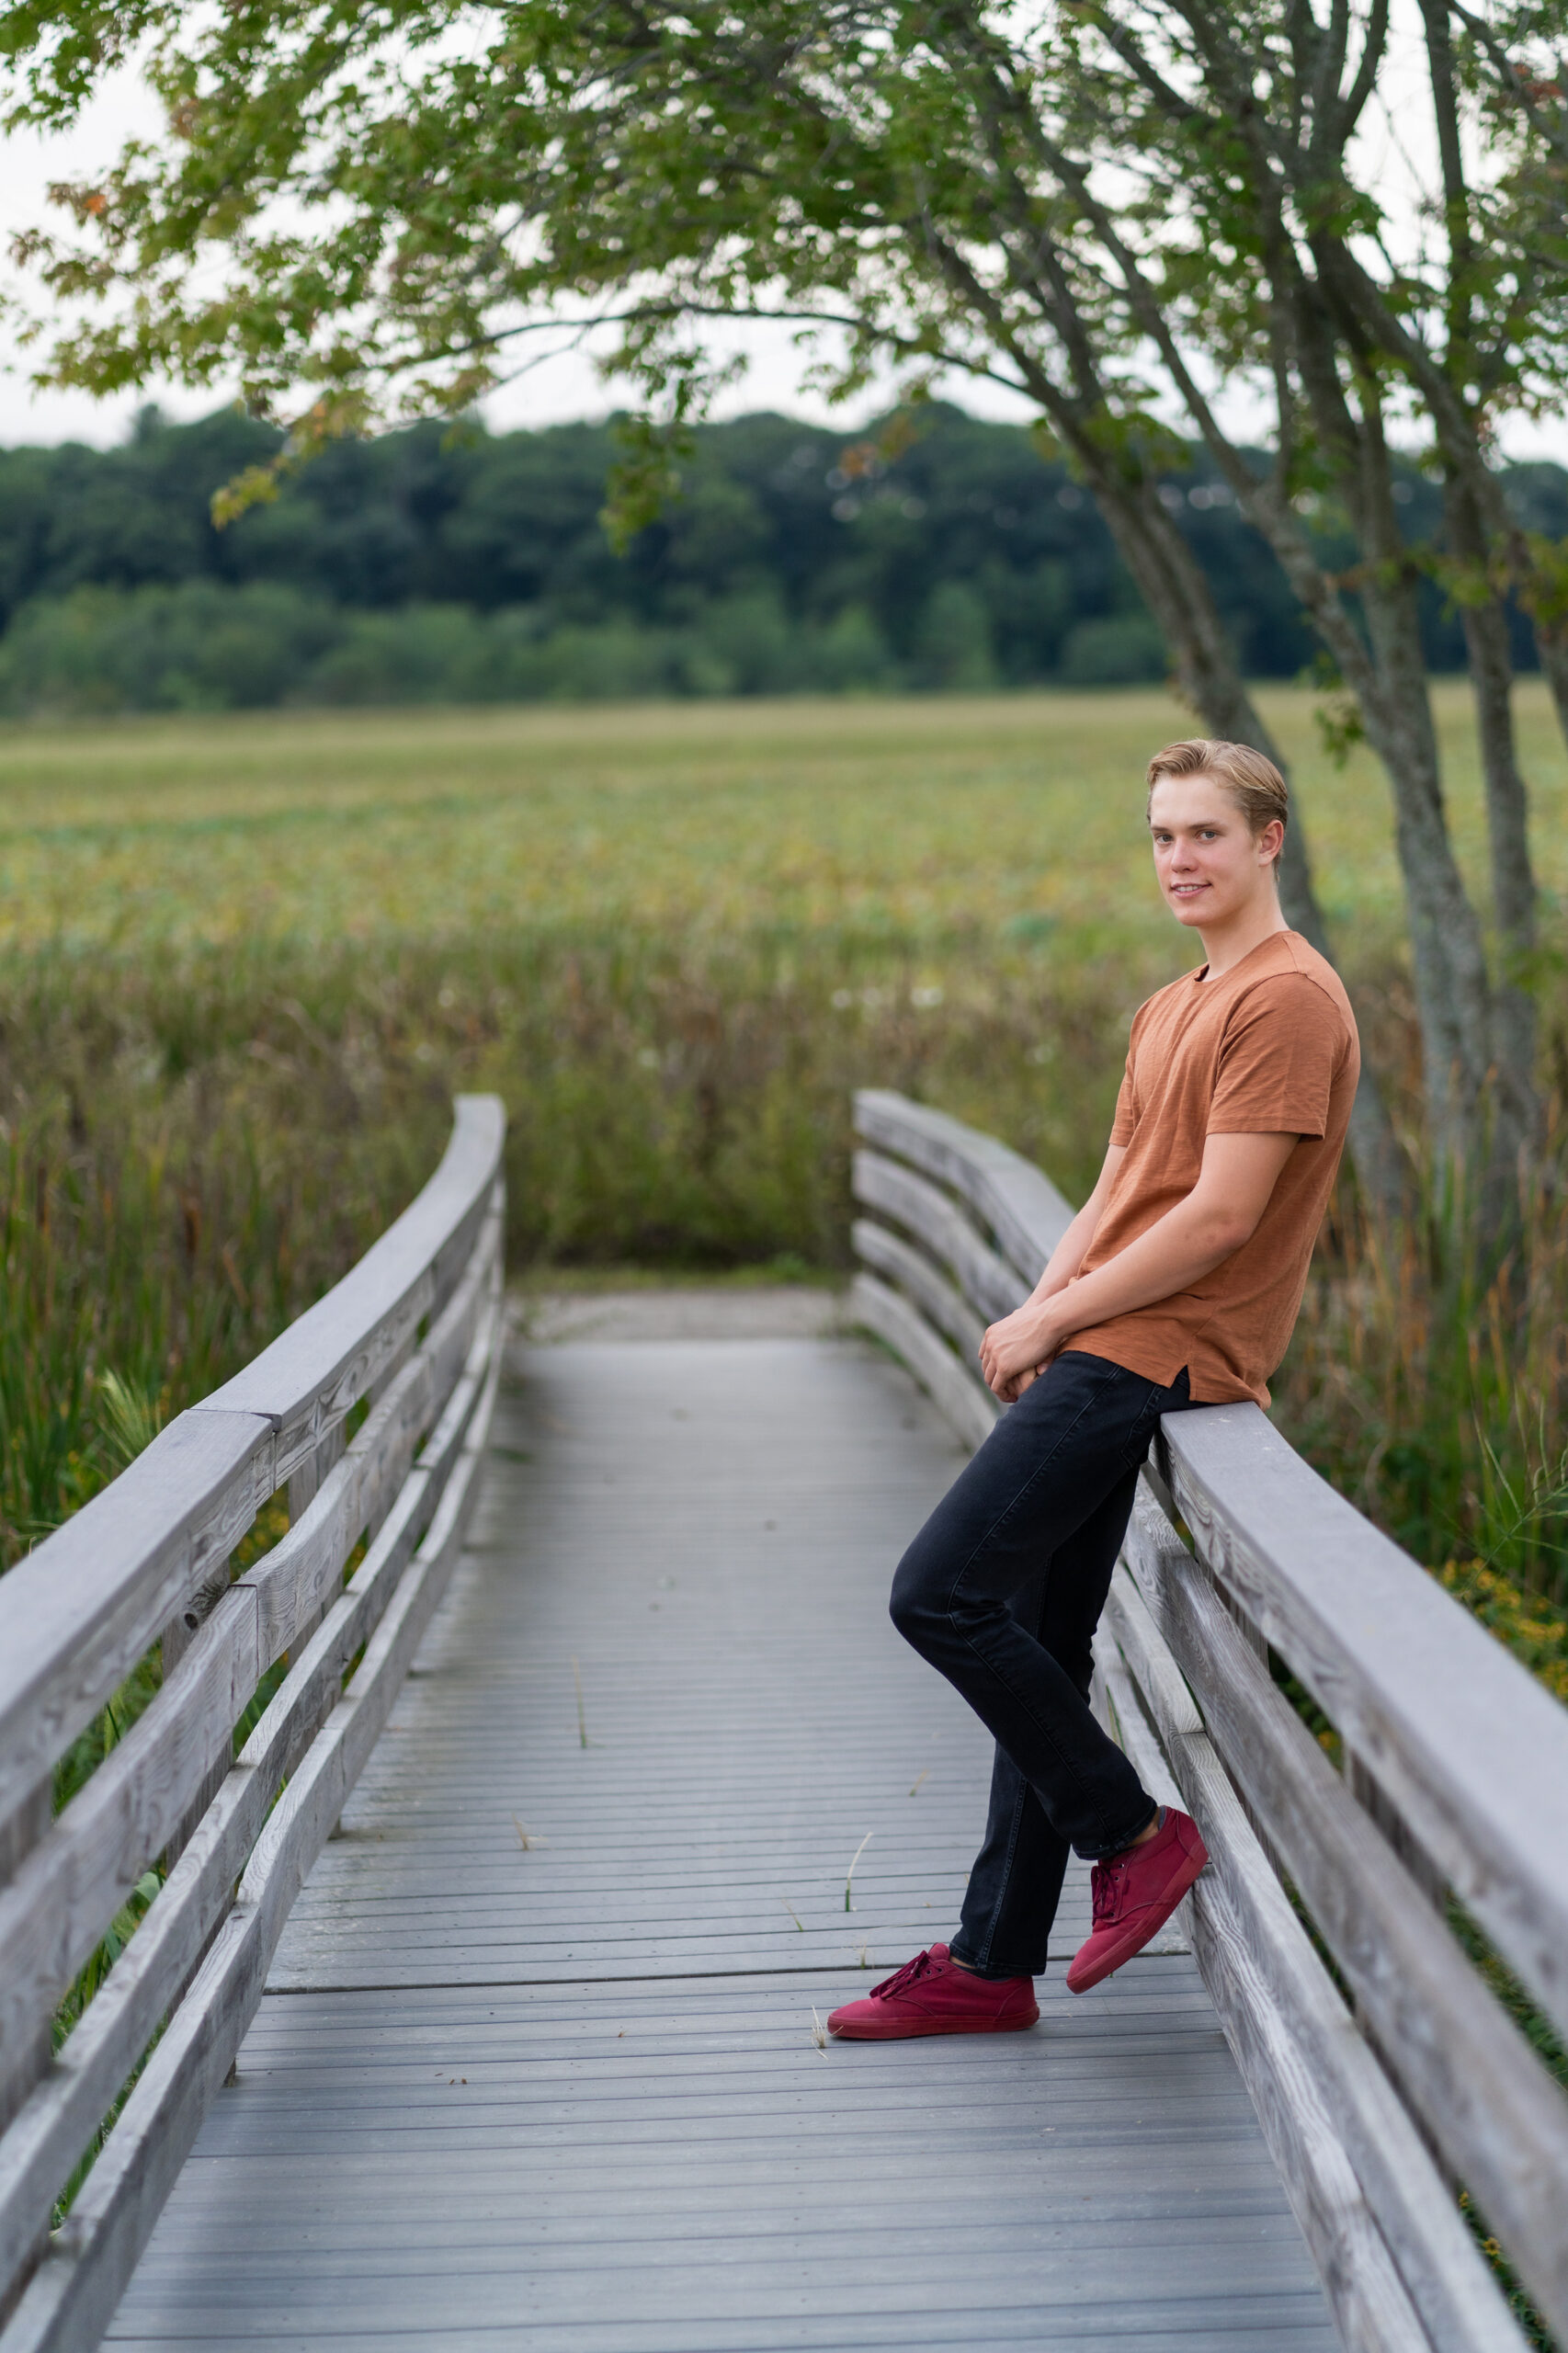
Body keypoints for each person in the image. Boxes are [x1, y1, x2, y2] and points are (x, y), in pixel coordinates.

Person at [829, 739, 1360, 2040]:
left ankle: (1129, 1833)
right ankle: (991, 1962)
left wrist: (1060, 1318)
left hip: (1158, 1349)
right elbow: (1119, 1188)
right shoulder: (1175, 1000)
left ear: (1267, 842)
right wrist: (1031, 1314)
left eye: (1205, 837)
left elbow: (1219, 1220)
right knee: (1040, 1637)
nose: (1178, 861)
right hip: (1096, 1341)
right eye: (1161, 837)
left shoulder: (1284, 1002)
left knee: (938, 1594)